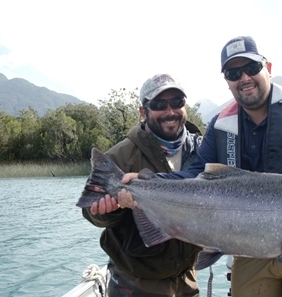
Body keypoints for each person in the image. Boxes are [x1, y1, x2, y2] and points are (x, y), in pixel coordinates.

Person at [116, 36, 282, 297]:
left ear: (268, 68)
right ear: (227, 81)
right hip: (250, 247)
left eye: (251, 68)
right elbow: (194, 176)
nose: (244, 78)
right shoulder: (220, 126)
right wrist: (146, 183)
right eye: (234, 73)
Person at [82, 73, 204, 296]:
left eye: (177, 102)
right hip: (135, 285)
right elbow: (92, 212)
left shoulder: (202, 151)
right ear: (143, 111)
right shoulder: (120, 156)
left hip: (187, 280)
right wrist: (110, 211)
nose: (170, 111)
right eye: (159, 104)